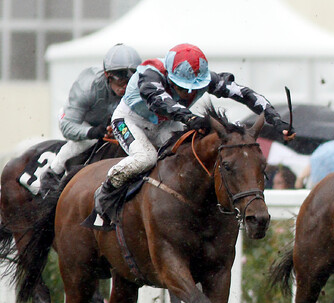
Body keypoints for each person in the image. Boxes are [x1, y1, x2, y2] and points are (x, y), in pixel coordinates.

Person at [93, 43, 293, 222]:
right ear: (170, 77)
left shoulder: (206, 79)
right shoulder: (150, 72)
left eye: (194, 88)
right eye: (183, 87)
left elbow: (246, 95)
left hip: (165, 124)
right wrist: (189, 118)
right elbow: (160, 101)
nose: (189, 93)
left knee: (187, 158)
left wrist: (277, 120)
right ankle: (106, 190)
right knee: (146, 158)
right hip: (128, 121)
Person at [37, 43, 142, 194]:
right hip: (79, 122)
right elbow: (67, 126)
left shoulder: (139, 87)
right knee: (88, 141)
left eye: (130, 81)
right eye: (121, 81)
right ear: (107, 76)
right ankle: (53, 172)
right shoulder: (87, 87)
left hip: (111, 123)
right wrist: (93, 131)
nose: (125, 87)